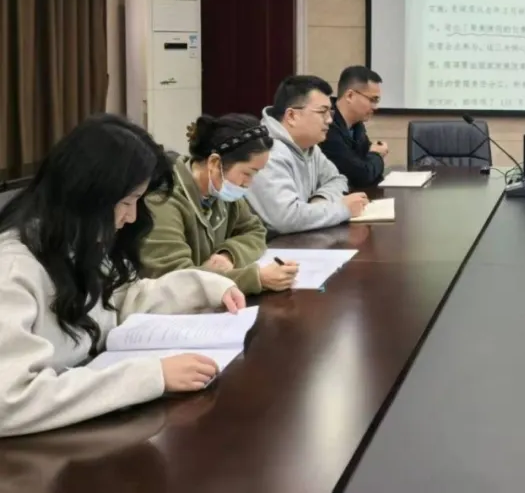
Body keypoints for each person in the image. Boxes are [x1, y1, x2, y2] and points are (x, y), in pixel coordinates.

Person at [0, 115, 245, 438]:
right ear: (87, 196)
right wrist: (150, 377)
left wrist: (204, 288)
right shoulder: (13, 271)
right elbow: (10, 400)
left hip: (75, 433)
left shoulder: (77, 244)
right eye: (126, 202)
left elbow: (119, 300)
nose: (131, 217)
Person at [142, 114, 299, 294]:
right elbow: (174, 279)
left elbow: (255, 231)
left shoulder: (220, 189)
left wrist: (229, 255)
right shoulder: (163, 199)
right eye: (247, 173)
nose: (248, 183)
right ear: (215, 163)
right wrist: (255, 278)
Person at [247, 75, 370, 235]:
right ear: (292, 116)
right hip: (269, 246)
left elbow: (337, 179)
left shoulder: (309, 146)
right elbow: (286, 219)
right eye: (322, 112)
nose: (329, 120)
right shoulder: (267, 152)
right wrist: (342, 209)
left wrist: (321, 201)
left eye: (330, 112)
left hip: (297, 239)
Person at [321, 66, 389, 189]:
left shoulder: (357, 125)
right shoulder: (326, 126)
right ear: (350, 96)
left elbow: (367, 166)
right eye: (372, 100)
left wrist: (372, 157)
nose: (375, 107)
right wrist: (377, 154)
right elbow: (361, 175)